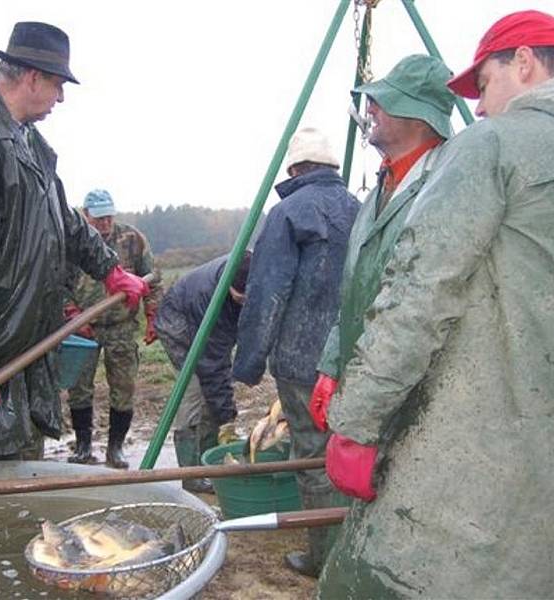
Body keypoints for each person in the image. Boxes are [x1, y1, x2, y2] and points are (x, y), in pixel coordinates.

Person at [317, 11, 554, 599]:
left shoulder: (494, 145)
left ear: (523, 62)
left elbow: (417, 291)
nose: (480, 106)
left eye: (486, 84)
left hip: (456, 493)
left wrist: (358, 423)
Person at [0, 22, 148, 461]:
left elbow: (64, 219)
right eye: (58, 84)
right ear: (32, 77)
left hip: (15, 340)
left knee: (15, 462)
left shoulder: (26, 139)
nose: (61, 98)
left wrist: (109, 268)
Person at [232, 128, 360, 577]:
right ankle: (353, 548)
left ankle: (326, 558)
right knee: (354, 449)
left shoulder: (288, 212)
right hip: (355, 360)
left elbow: (268, 292)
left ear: (295, 170)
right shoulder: (361, 209)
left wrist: (248, 363)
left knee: (313, 456)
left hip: (303, 364)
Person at [311, 54, 456, 436]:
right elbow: (356, 290)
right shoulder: (383, 183)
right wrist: (332, 365)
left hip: (422, 399)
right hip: (370, 381)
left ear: (416, 114)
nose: (370, 108)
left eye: (383, 101)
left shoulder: (448, 188)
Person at [64, 189, 162, 468]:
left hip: (121, 325)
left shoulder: (132, 239)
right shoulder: (74, 242)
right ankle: (83, 447)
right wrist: (71, 314)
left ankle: (115, 449)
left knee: (123, 387)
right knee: (78, 388)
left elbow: (152, 280)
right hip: (83, 327)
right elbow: (57, 283)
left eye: (109, 217)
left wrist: (152, 315)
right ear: (86, 215)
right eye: (99, 218)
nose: (105, 223)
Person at [155, 252, 252, 493]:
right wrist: (227, 415)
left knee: (214, 394)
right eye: (240, 298)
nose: (244, 301)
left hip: (207, 322)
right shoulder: (208, 298)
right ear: (229, 288)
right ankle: (191, 476)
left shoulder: (257, 268)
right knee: (194, 390)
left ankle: (208, 461)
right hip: (178, 323)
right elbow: (213, 363)